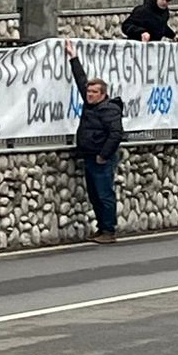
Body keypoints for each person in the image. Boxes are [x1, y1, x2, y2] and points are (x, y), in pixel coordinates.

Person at [64, 39, 124, 244]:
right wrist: (73, 57)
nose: (89, 95)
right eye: (88, 93)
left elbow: (116, 134)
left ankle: (109, 230)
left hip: (101, 159)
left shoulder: (108, 109)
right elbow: (81, 80)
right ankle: (102, 228)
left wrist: (103, 155)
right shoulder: (91, 105)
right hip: (90, 156)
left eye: (93, 93)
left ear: (103, 94)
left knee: (104, 194)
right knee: (95, 195)